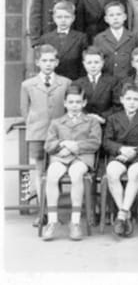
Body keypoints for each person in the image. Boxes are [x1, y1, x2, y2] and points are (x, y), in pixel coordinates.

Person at [40, 84, 102, 241]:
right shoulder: (56, 122)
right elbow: (48, 145)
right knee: (52, 174)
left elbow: (95, 143)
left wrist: (75, 146)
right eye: (71, 102)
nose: (74, 106)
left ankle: (75, 222)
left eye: (78, 102)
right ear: (65, 103)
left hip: (82, 158)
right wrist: (62, 143)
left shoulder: (91, 121)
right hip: (60, 157)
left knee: (76, 174)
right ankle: (52, 221)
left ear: (84, 103)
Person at [103, 83, 138, 237]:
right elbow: (107, 141)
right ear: (122, 100)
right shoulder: (113, 118)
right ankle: (125, 213)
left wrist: (134, 151)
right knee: (112, 172)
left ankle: (121, 215)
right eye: (128, 99)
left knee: (134, 173)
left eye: (135, 99)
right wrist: (121, 149)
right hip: (120, 155)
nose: (132, 102)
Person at [21, 45, 70, 222]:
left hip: (59, 135)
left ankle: (54, 212)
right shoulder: (27, 85)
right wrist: (34, 125)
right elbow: (25, 110)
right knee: (39, 172)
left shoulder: (65, 83)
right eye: (44, 60)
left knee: (56, 171)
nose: (48, 64)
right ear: (37, 62)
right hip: (37, 134)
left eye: (51, 60)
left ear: (57, 62)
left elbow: (69, 108)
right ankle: (42, 212)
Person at [36, 1, 88, 81]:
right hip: (52, 81)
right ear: (54, 18)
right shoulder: (45, 39)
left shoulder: (81, 38)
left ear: (73, 18)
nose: (63, 20)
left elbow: (84, 64)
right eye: (59, 17)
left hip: (73, 80)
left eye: (67, 17)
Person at [92, 1, 138, 79]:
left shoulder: (133, 38)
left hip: (128, 80)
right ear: (106, 19)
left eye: (118, 14)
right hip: (107, 80)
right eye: (111, 15)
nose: (115, 18)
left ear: (125, 17)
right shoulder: (99, 39)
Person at [74, 45, 119, 124]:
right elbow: (74, 104)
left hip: (106, 123)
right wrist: (87, 117)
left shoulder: (113, 82)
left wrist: (102, 117)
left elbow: (117, 106)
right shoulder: (77, 84)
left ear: (102, 63)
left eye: (96, 62)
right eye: (89, 63)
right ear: (84, 64)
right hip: (83, 124)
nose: (93, 66)